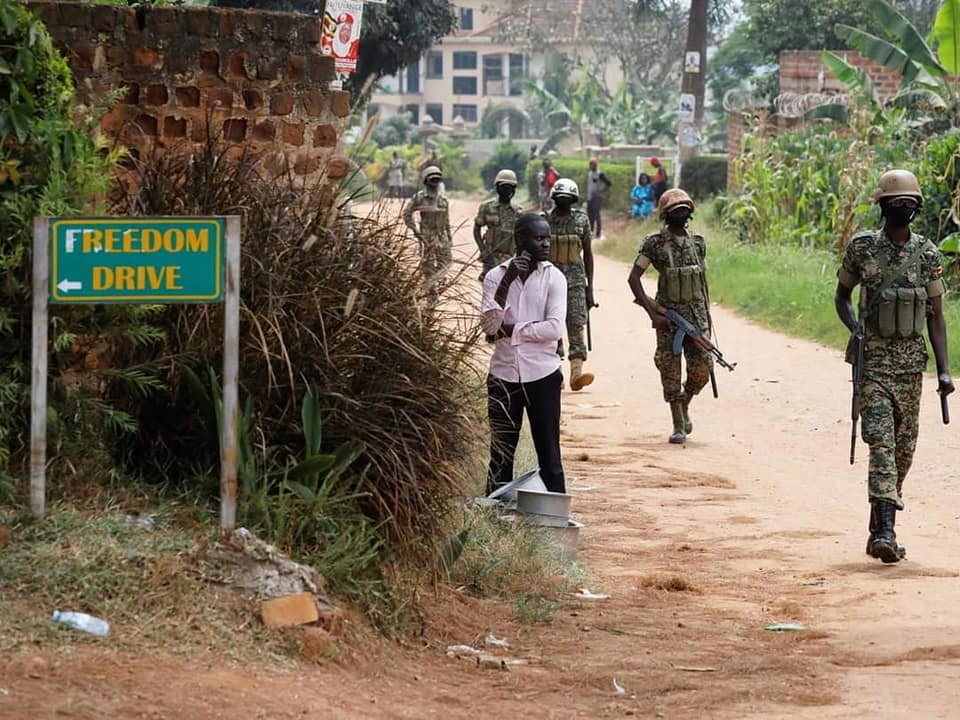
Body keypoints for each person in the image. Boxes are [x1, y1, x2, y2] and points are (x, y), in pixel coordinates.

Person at [834, 169, 953, 564]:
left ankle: (877, 528)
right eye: (897, 202)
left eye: (909, 203)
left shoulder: (928, 254)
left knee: (903, 453)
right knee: (882, 445)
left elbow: (936, 317)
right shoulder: (863, 248)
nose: (903, 208)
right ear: (883, 206)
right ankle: (886, 532)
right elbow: (842, 296)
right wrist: (854, 328)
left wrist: (944, 371)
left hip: (910, 369)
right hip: (873, 366)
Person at [481, 213, 567, 495]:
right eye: (538, 238)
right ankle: (496, 510)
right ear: (520, 239)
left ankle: (554, 511)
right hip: (503, 375)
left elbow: (554, 328)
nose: (545, 244)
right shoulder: (495, 277)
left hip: (543, 374)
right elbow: (490, 327)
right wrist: (507, 282)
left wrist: (511, 330)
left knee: (549, 453)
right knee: (501, 453)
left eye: (547, 238)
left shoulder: (555, 277)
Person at [628, 189, 710, 444]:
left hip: (696, 317)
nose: (680, 214)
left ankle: (685, 402)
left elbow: (703, 282)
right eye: (675, 210)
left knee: (702, 369)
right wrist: (652, 313)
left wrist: (707, 315)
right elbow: (634, 278)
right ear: (666, 214)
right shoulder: (654, 244)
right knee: (670, 369)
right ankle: (678, 423)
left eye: (684, 209)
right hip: (669, 318)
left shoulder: (698, 243)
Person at [546, 178, 596, 391]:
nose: (563, 201)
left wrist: (590, 288)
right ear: (554, 198)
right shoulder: (544, 221)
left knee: (576, 323)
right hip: (549, 282)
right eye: (560, 198)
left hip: (575, 281)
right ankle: (554, 373)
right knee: (551, 327)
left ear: (573, 199)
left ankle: (576, 373)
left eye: (567, 198)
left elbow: (588, 254)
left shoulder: (581, 220)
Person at [403, 166, 452, 298]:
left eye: (437, 179)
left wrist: (449, 237)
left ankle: (432, 283)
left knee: (447, 262)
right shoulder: (419, 197)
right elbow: (407, 214)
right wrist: (415, 230)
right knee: (427, 265)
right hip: (426, 236)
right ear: (426, 180)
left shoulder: (443, 199)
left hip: (441, 235)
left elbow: (447, 220)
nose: (435, 182)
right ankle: (432, 295)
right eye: (432, 179)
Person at [474, 169, 522, 279]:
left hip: (510, 257)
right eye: (503, 187)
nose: (506, 190)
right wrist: (483, 250)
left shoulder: (518, 211)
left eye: (509, 187)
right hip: (491, 256)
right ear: (497, 187)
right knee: (489, 285)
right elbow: (476, 229)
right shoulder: (487, 207)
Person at [586, 157, 612, 239]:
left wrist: (600, 191)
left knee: (596, 215)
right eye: (591, 164)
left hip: (597, 197)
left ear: (596, 165)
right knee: (590, 216)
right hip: (590, 197)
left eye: (593, 164)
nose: (592, 166)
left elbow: (609, 183)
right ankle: (591, 232)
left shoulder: (600, 174)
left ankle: (598, 233)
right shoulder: (590, 173)